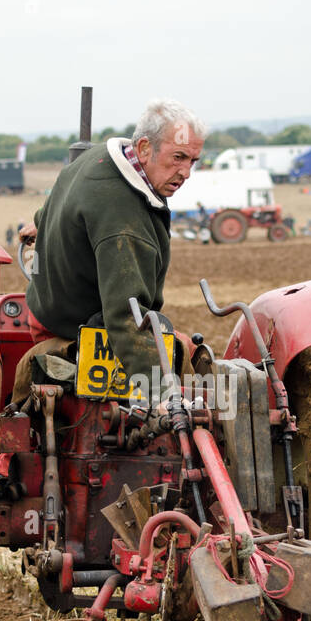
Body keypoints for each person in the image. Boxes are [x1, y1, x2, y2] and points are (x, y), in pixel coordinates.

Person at [15, 98, 206, 403]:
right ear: (144, 148)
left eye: (192, 161)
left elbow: (63, 197)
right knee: (187, 357)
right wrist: (164, 398)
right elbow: (126, 318)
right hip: (76, 329)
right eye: (178, 157)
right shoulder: (124, 224)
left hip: (46, 310)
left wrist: (41, 222)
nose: (185, 172)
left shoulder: (100, 158)